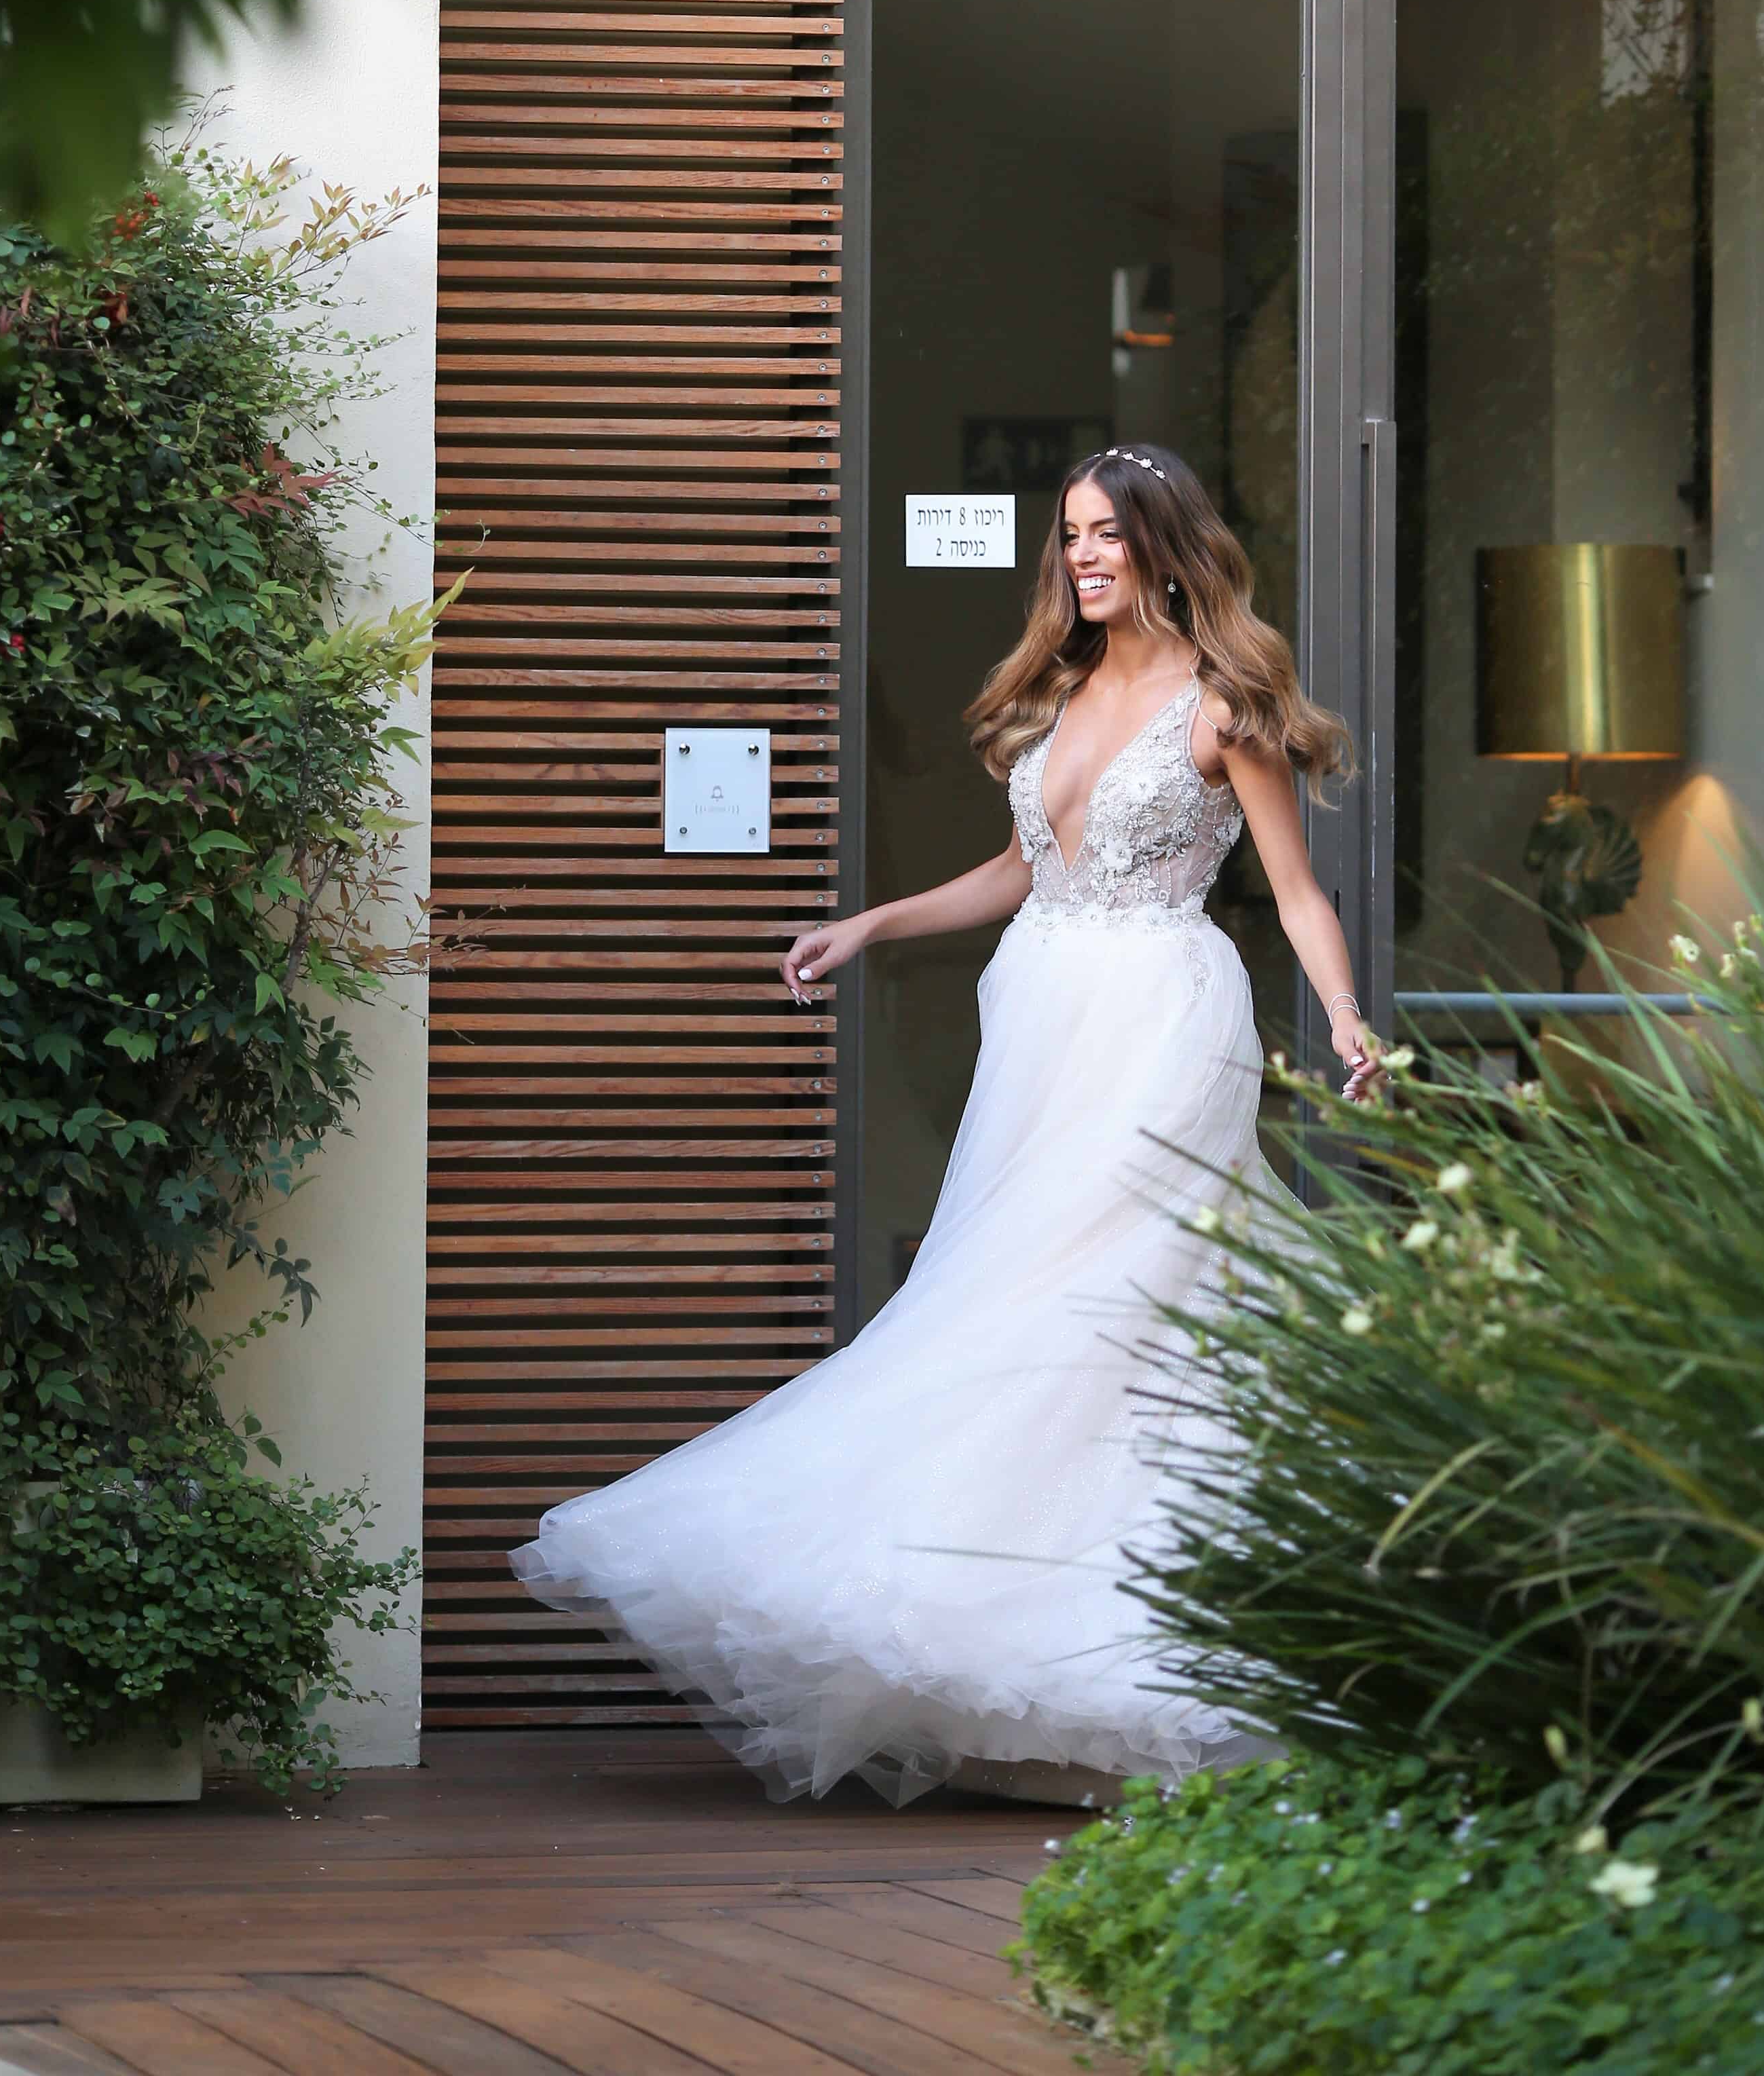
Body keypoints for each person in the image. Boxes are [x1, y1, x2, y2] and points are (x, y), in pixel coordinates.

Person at [511, 441, 1376, 1807]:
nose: (1083, 557)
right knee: (1009, 1292)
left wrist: (1343, 1017)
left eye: (1108, 534)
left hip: (1161, 1008)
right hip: (1040, 1012)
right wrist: (873, 924)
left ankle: (1139, 1668)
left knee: (1104, 1297)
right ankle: (1017, 1663)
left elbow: (1298, 889)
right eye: (1071, 535)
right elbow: (1022, 873)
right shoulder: (1063, 695)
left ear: (1165, 548)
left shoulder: (1223, 709)